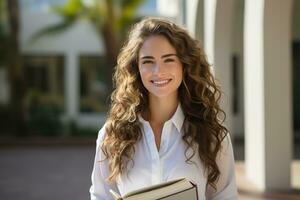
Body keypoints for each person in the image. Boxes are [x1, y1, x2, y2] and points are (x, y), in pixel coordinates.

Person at [89, 17, 238, 200]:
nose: (158, 71)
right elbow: (100, 195)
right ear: (136, 68)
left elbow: (225, 196)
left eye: (168, 60)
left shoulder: (213, 135)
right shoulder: (111, 135)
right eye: (148, 61)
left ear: (184, 65)